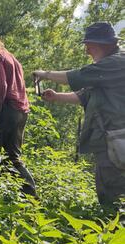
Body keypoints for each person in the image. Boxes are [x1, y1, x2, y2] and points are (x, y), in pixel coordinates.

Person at [33, 22, 125, 207]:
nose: (86, 51)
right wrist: (57, 96)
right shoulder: (106, 69)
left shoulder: (117, 62)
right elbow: (86, 94)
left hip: (118, 139)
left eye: (88, 45)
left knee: (116, 198)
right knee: (107, 190)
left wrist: (45, 74)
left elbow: (79, 76)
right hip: (109, 141)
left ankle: (117, 233)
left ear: (101, 43)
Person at [0, 33, 37, 196]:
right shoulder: (13, 59)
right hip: (22, 111)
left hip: (6, 109)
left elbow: (1, 86)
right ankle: (30, 195)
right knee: (14, 155)